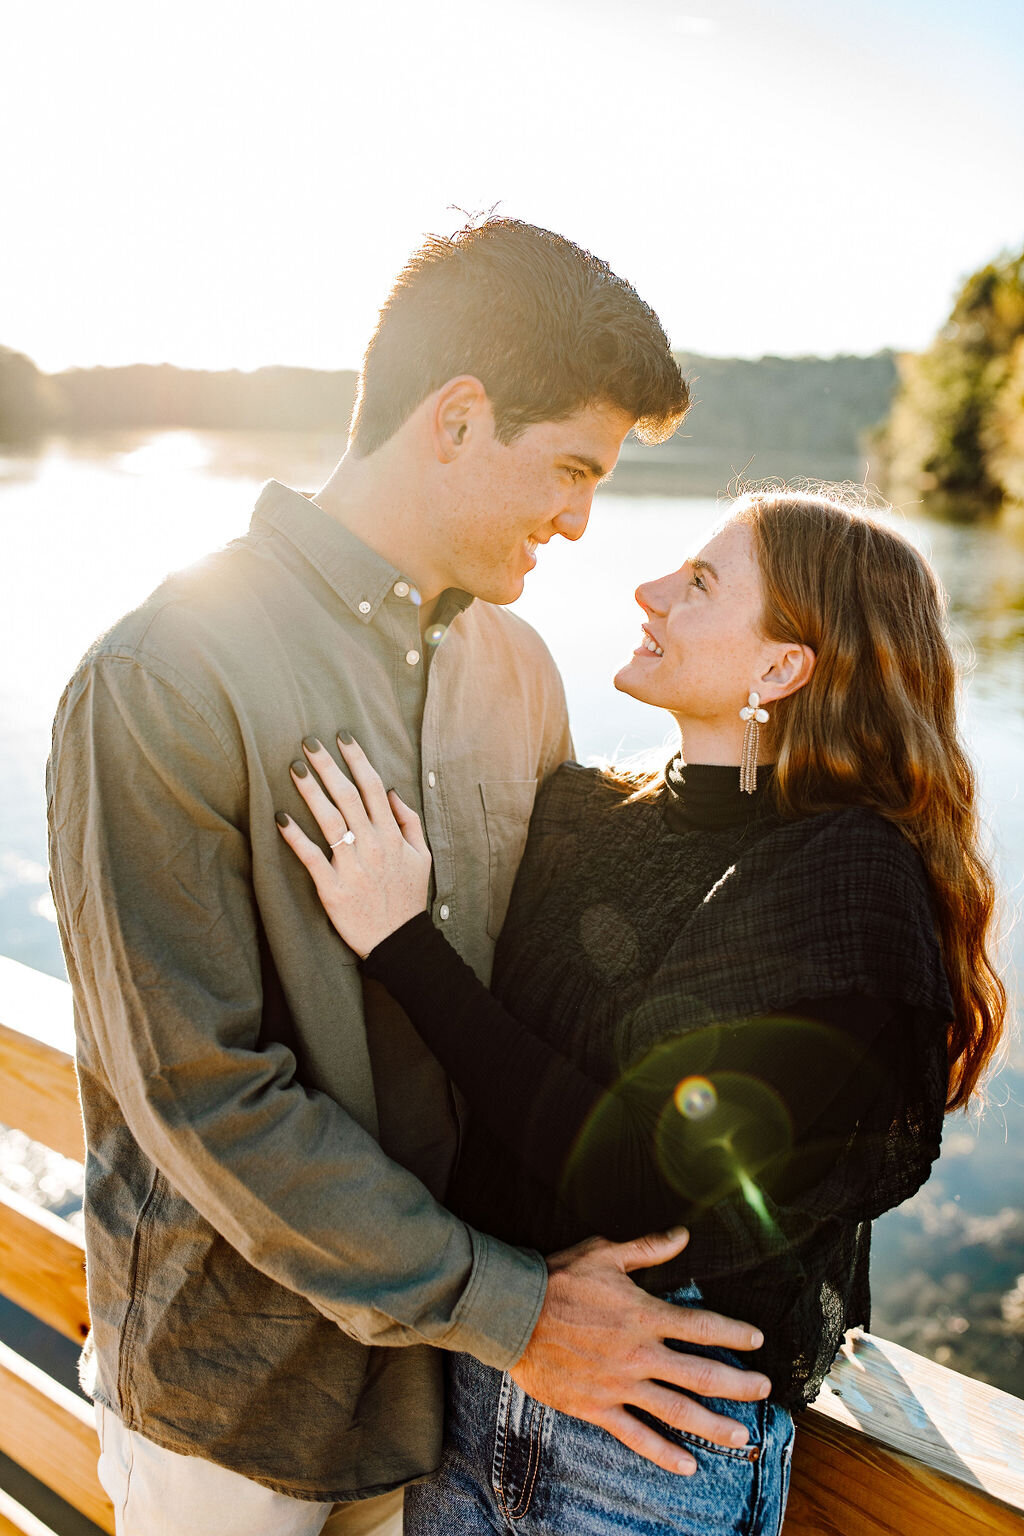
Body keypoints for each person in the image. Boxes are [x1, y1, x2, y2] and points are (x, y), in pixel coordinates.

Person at [46, 218, 774, 1536]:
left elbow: (560, 993)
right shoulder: (163, 675)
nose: (579, 518)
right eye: (568, 468)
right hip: (238, 1401)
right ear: (456, 419)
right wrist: (521, 1311)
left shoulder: (525, 673)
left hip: (454, 1405)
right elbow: (202, 1096)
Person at [278, 488, 1006, 1535]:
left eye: (700, 584)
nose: (648, 590)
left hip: (650, 1449)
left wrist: (400, 943)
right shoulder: (582, 812)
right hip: (475, 1390)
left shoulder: (842, 884)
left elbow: (641, 1172)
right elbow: (498, 1105)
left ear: (779, 670)